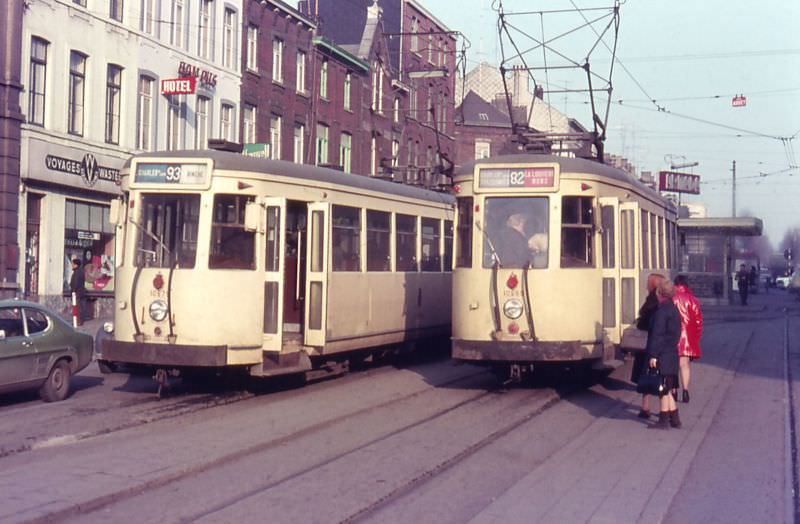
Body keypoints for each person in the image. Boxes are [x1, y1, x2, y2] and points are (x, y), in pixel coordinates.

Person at [646, 279, 683, 429]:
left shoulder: (661, 312)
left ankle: (663, 421)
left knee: (662, 388)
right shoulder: (673, 310)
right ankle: (675, 420)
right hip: (672, 353)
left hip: (662, 354)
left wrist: (653, 355)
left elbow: (657, 335)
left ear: (659, 293)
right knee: (667, 387)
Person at [632, 273, 665, 419]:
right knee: (654, 376)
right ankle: (662, 408)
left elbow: (646, 322)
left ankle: (647, 408)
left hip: (650, 344)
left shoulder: (652, 301)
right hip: (655, 344)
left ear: (653, 285)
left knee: (650, 375)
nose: (646, 284)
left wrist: (639, 323)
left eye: (648, 282)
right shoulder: (662, 301)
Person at [673, 275, 703, 403]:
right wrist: (695, 337)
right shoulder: (693, 300)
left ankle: (673, 391)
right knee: (684, 365)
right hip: (687, 337)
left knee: (672, 365)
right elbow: (698, 321)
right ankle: (685, 391)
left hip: (673, 336)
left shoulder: (671, 298)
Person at [69, 258, 87, 326]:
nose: (72, 265)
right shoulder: (81, 271)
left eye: (73, 264)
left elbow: (75, 283)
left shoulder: (77, 272)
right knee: (78, 307)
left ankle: (78, 321)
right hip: (80, 292)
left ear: (76, 265)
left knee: (77, 307)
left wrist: (73, 291)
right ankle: (77, 321)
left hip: (77, 293)